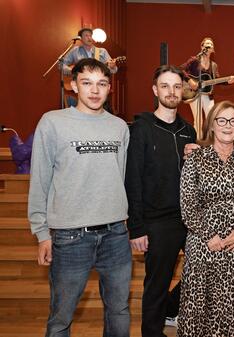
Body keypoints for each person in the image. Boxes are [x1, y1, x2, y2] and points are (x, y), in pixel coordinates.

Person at [28, 58, 131, 336]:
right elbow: (40, 180)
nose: (94, 90)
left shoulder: (120, 127)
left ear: (109, 88)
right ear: (73, 85)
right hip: (70, 236)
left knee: (119, 310)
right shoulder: (52, 122)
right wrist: (42, 233)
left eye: (101, 84)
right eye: (86, 83)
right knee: (61, 317)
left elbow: (119, 177)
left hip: (116, 235)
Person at [178, 101, 234, 336]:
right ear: (212, 125)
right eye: (222, 120)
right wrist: (209, 235)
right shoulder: (196, 158)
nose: (228, 126)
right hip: (204, 246)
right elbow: (188, 205)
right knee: (203, 309)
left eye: (233, 121)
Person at [125, 65, 197, 336]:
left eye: (177, 87)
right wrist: (137, 226)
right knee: (157, 283)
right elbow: (132, 178)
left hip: (189, 218)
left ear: (183, 92)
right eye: (165, 86)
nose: (171, 92)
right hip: (157, 221)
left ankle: (170, 307)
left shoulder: (188, 131)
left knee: (199, 272)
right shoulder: (141, 129)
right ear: (155, 90)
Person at [181, 37, 234, 138]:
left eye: (211, 45)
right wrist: (190, 81)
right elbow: (181, 70)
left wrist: (229, 81)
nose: (209, 46)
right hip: (194, 94)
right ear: (202, 47)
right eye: (206, 44)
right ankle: (197, 143)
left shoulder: (214, 65)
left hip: (208, 95)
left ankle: (210, 143)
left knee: (211, 118)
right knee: (198, 121)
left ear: (213, 49)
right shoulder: (194, 60)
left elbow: (216, 80)